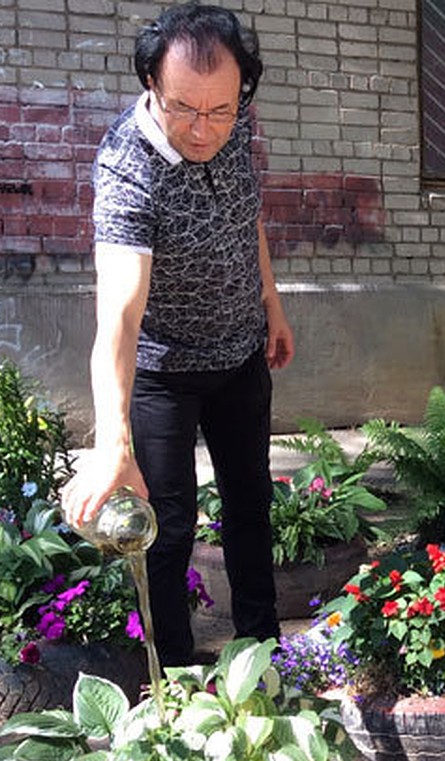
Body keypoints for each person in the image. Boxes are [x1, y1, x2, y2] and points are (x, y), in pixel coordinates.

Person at [61, 2, 294, 666]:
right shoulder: (127, 165)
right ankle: (176, 681)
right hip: (164, 370)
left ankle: (262, 655)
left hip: (241, 353)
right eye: (183, 108)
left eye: (220, 110)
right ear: (150, 86)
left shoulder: (234, 127)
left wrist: (271, 302)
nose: (202, 129)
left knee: (250, 506)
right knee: (165, 532)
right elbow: (121, 316)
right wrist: (113, 443)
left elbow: (248, 218)